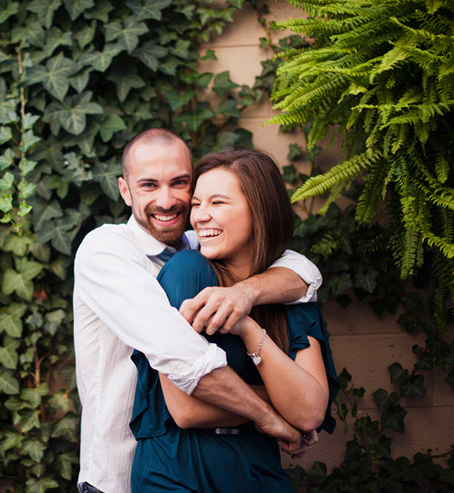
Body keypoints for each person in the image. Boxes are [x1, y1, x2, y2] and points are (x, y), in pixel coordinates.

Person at [73, 129, 323, 493]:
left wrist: (244, 293)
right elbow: (183, 360)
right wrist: (277, 415)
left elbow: (304, 272)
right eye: (148, 185)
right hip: (117, 477)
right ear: (125, 191)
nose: (167, 200)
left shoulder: (200, 243)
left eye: (179, 183)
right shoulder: (106, 250)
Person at [129, 149, 339, 492]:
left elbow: (310, 414)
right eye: (197, 204)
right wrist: (278, 407)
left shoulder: (289, 294)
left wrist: (246, 326)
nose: (200, 217)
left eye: (217, 203)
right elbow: (186, 408)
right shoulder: (188, 272)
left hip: (260, 474)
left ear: (260, 210)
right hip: (180, 474)